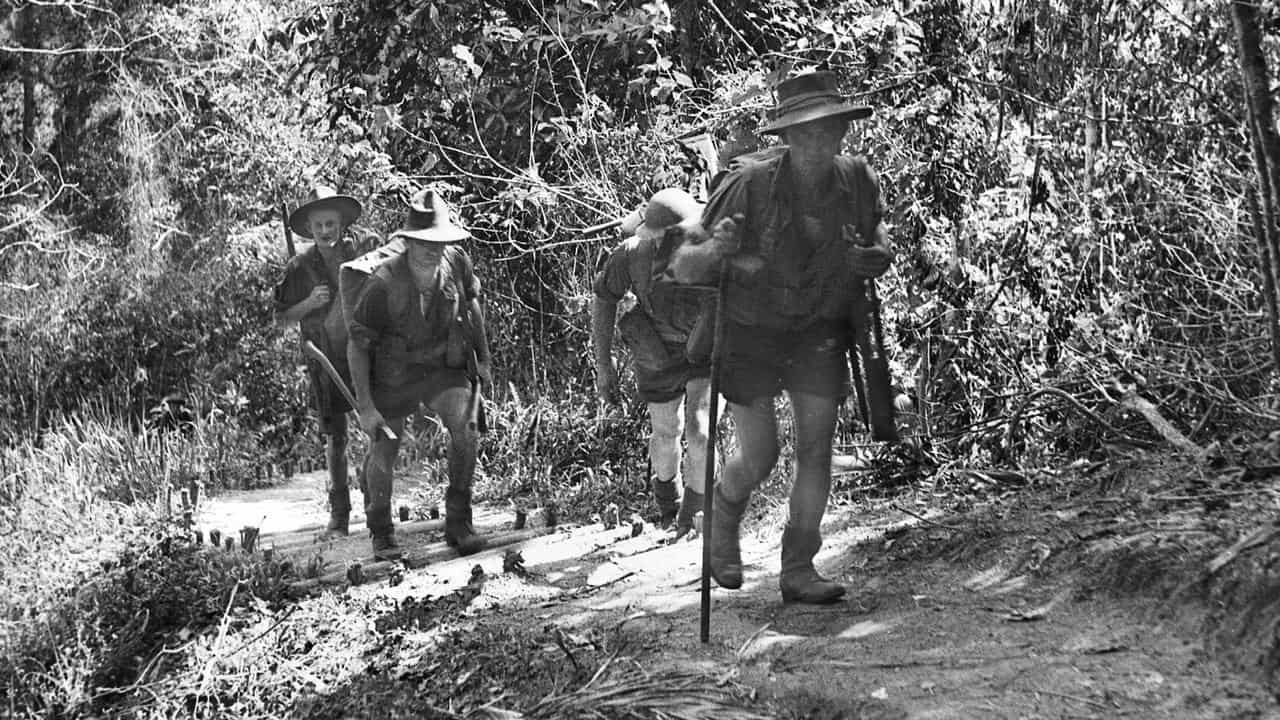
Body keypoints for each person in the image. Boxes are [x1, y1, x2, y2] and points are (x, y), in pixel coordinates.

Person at [673, 71, 894, 604]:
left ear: (842, 133)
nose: (816, 145)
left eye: (826, 132)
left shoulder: (858, 181)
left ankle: (799, 566)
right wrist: (716, 252)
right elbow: (684, 266)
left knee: (816, 451)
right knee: (762, 454)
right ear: (788, 139)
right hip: (752, 329)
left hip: (819, 325)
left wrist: (877, 256)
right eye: (804, 134)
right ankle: (723, 518)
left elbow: (879, 238)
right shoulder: (749, 187)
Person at [342, 189, 492, 560]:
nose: (432, 249)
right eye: (423, 242)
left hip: (442, 368)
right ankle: (381, 529)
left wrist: (483, 357)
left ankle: (459, 521)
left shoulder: (456, 262)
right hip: (392, 377)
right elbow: (357, 345)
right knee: (385, 447)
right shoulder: (383, 283)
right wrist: (365, 407)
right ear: (407, 241)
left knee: (467, 427)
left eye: (438, 241)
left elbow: (472, 306)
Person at [591, 188, 711, 539]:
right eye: (665, 239)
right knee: (665, 434)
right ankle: (668, 499)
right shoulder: (631, 256)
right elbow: (604, 299)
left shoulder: (712, 253)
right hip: (657, 350)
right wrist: (604, 365)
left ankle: (694, 512)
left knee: (700, 432)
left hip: (704, 350)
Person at [273, 186, 364, 540]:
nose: (325, 231)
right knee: (336, 438)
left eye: (331, 223)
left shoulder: (358, 254)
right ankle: (339, 517)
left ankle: (376, 505)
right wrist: (309, 302)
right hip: (323, 358)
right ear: (309, 228)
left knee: (374, 426)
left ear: (341, 224)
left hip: (361, 351)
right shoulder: (298, 267)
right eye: (318, 225)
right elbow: (281, 318)